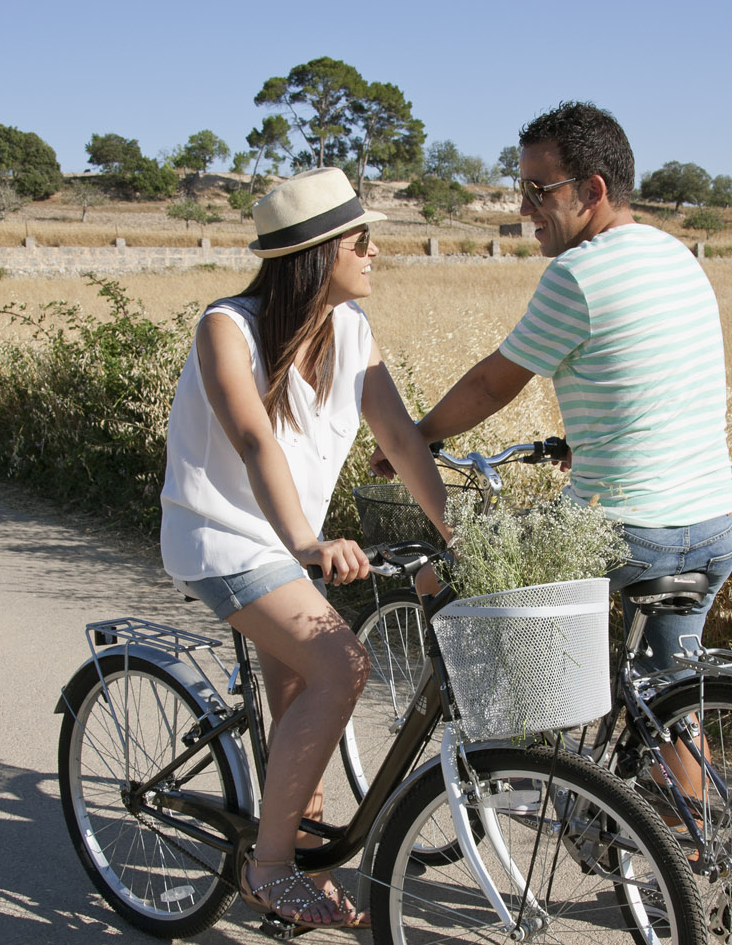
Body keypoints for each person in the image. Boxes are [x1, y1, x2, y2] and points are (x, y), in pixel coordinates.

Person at [160, 167, 451, 929]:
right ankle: (267, 870)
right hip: (222, 536)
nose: (375, 252)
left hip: (286, 547)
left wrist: (454, 536)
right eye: (363, 241)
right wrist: (304, 541)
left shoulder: (349, 331)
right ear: (318, 254)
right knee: (341, 665)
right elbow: (255, 438)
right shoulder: (226, 327)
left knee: (300, 698)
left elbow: (401, 438)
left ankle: (288, 859)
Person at [372, 101, 732, 677]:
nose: (524, 208)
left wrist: (414, 436)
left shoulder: (577, 274)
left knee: (436, 579)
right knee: (675, 709)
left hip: (625, 532)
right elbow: (656, 381)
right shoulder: (676, 256)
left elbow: (492, 385)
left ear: (591, 190)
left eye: (539, 190)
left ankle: (509, 763)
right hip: (711, 526)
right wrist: (583, 442)